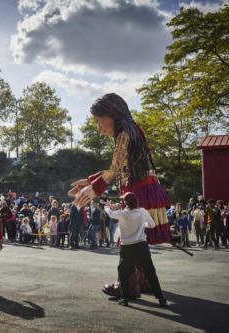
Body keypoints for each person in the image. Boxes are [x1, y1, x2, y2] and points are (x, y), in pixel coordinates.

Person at [69, 93, 171, 297]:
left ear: (111, 114)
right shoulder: (131, 129)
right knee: (138, 239)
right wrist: (88, 181)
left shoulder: (124, 132)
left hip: (137, 190)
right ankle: (144, 280)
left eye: (99, 120)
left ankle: (128, 284)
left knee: (129, 240)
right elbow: (119, 167)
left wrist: (93, 189)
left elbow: (115, 169)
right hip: (144, 189)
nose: (99, 126)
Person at [105, 192, 167, 307]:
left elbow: (110, 213)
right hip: (141, 245)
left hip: (127, 247)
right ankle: (161, 298)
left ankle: (125, 298)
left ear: (125, 202)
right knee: (150, 272)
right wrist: (142, 225)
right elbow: (152, 225)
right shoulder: (142, 211)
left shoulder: (122, 214)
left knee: (124, 273)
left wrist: (107, 206)